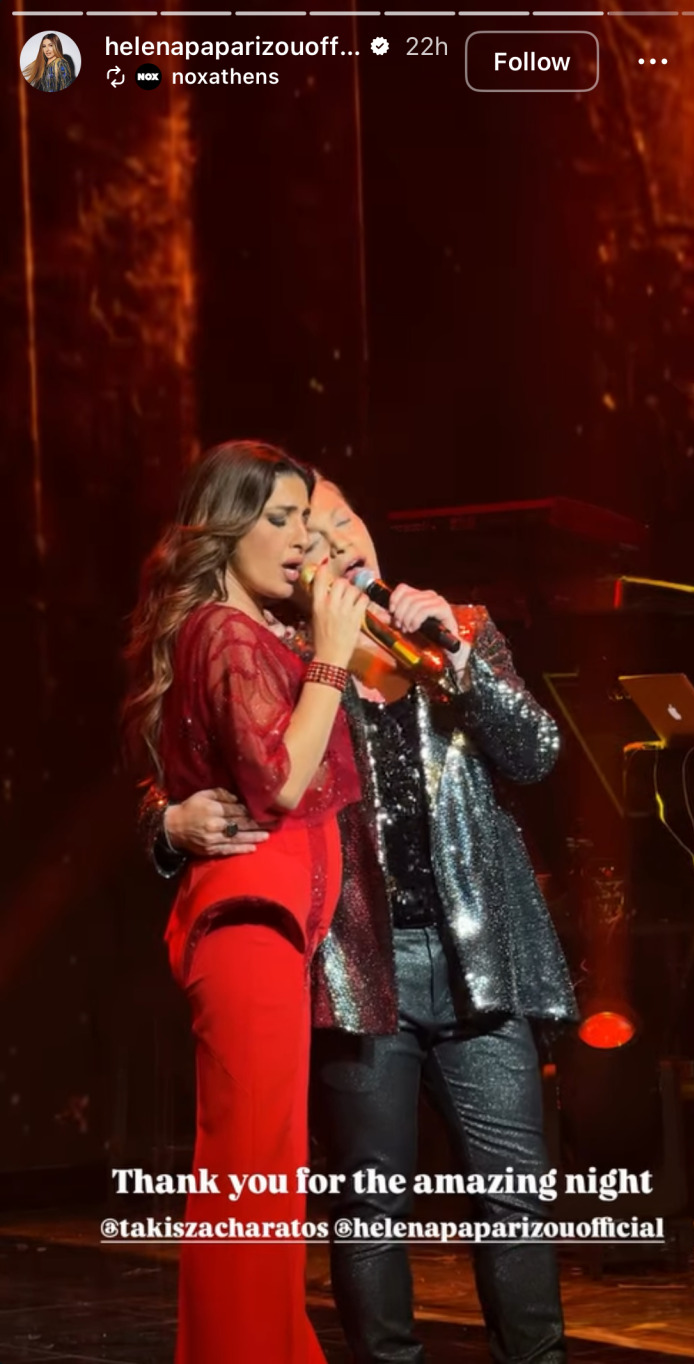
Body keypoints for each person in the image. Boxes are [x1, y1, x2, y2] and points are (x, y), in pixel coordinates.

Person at [142, 475, 578, 1364]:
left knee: (516, 1197)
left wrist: (456, 658)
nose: (334, 542)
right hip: (356, 965)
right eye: (309, 533)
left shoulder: (459, 627)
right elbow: (185, 752)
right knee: (369, 1206)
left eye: (342, 521)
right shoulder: (288, 654)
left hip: (479, 960)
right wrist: (164, 822)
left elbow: (537, 751)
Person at [123, 443, 367, 1364]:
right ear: (226, 528)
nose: (300, 539)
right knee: (252, 1185)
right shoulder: (226, 632)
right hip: (249, 931)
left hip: (270, 934)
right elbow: (279, 780)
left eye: (306, 519)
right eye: (279, 519)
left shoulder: (253, 632)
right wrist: (330, 660)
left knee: (265, 1182)